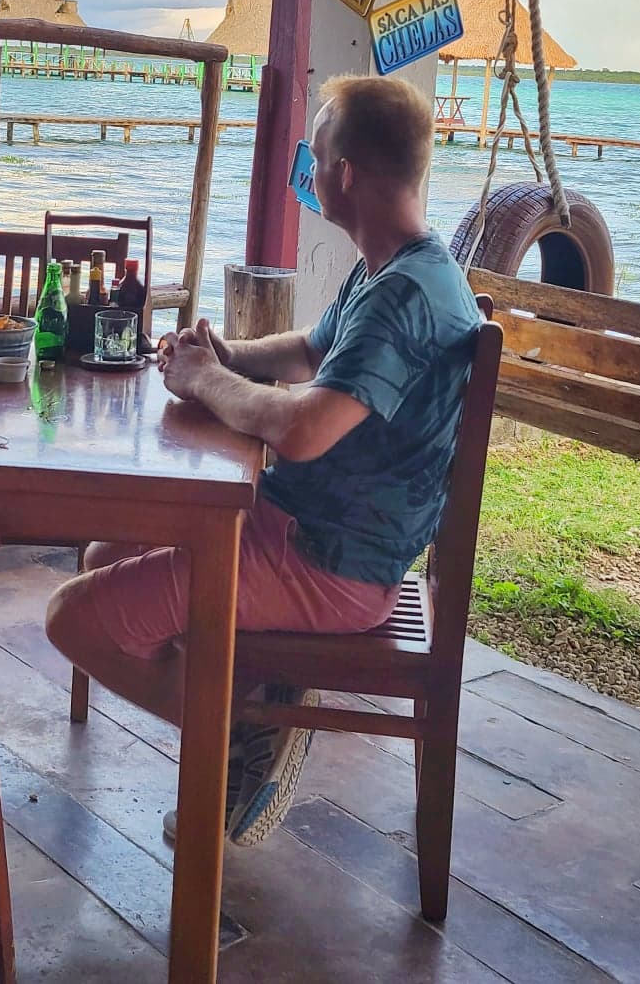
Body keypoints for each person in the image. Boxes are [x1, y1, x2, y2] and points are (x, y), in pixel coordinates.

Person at [46, 73, 482, 847]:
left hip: (332, 564)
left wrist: (209, 381)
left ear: (343, 172)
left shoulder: (404, 295)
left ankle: (249, 735)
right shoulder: (399, 265)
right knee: (102, 552)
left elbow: (307, 429)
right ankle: (254, 699)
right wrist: (225, 354)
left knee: (74, 617)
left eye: (315, 158)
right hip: (315, 529)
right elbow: (314, 351)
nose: (310, 176)